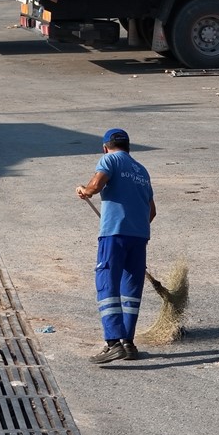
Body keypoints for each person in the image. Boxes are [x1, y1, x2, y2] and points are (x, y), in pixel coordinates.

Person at [76, 128, 156, 364]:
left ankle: (113, 343)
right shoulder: (142, 170)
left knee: (106, 283)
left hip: (113, 235)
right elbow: (151, 211)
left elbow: (96, 185)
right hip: (139, 236)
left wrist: (85, 190)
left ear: (105, 147)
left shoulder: (109, 159)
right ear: (129, 147)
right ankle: (129, 344)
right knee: (131, 290)